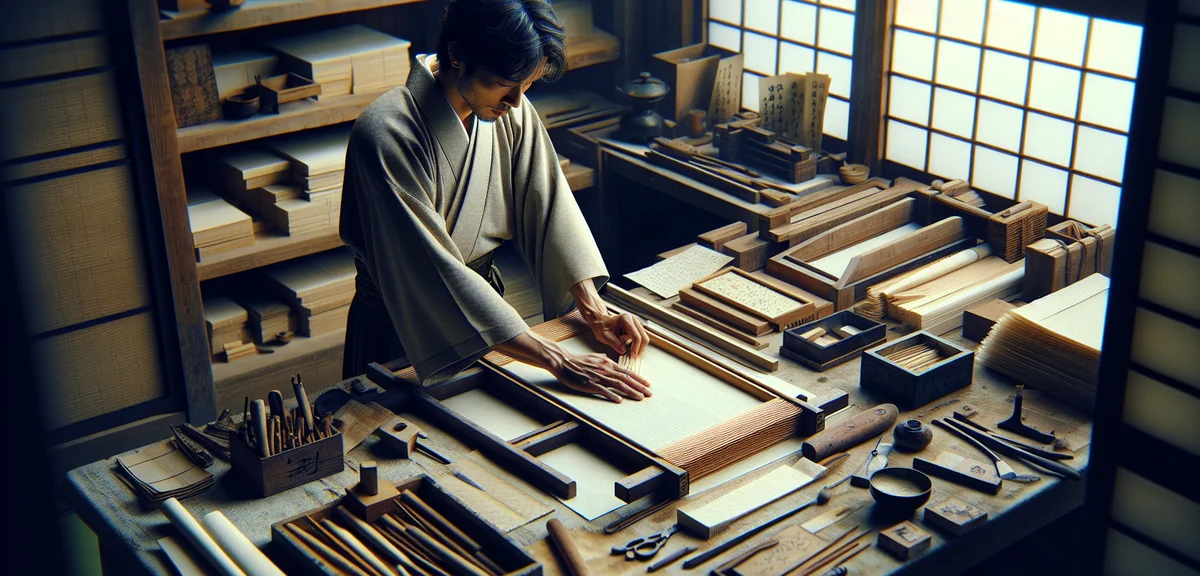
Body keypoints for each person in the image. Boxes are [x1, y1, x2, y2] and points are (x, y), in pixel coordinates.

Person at [340, 0, 651, 403]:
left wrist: (595, 310)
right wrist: (557, 358)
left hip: (488, 320)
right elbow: (430, 269)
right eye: (505, 84)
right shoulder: (386, 134)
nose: (517, 102)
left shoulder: (507, 112)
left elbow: (550, 209)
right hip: (402, 323)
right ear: (457, 56)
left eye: (529, 84)